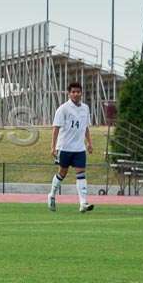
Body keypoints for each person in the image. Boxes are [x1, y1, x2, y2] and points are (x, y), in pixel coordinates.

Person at [48, 82, 95, 213]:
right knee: (62, 173)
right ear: (69, 94)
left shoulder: (85, 108)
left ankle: (83, 203)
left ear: (81, 93)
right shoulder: (63, 109)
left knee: (81, 173)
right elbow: (55, 128)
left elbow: (85, 127)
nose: (76, 94)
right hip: (65, 147)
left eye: (78, 92)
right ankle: (51, 194)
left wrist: (89, 143)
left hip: (79, 148)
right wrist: (53, 147)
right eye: (73, 92)